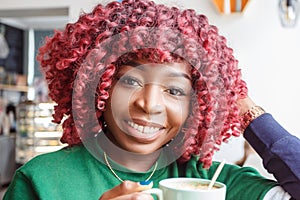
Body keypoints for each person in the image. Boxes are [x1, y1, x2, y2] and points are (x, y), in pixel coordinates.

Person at [4, 0, 300, 199]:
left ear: (197, 106)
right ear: (95, 86)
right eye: (130, 80)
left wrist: (243, 107)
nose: (148, 104)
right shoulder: (40, 180)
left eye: (174, 90)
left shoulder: (212, 181)